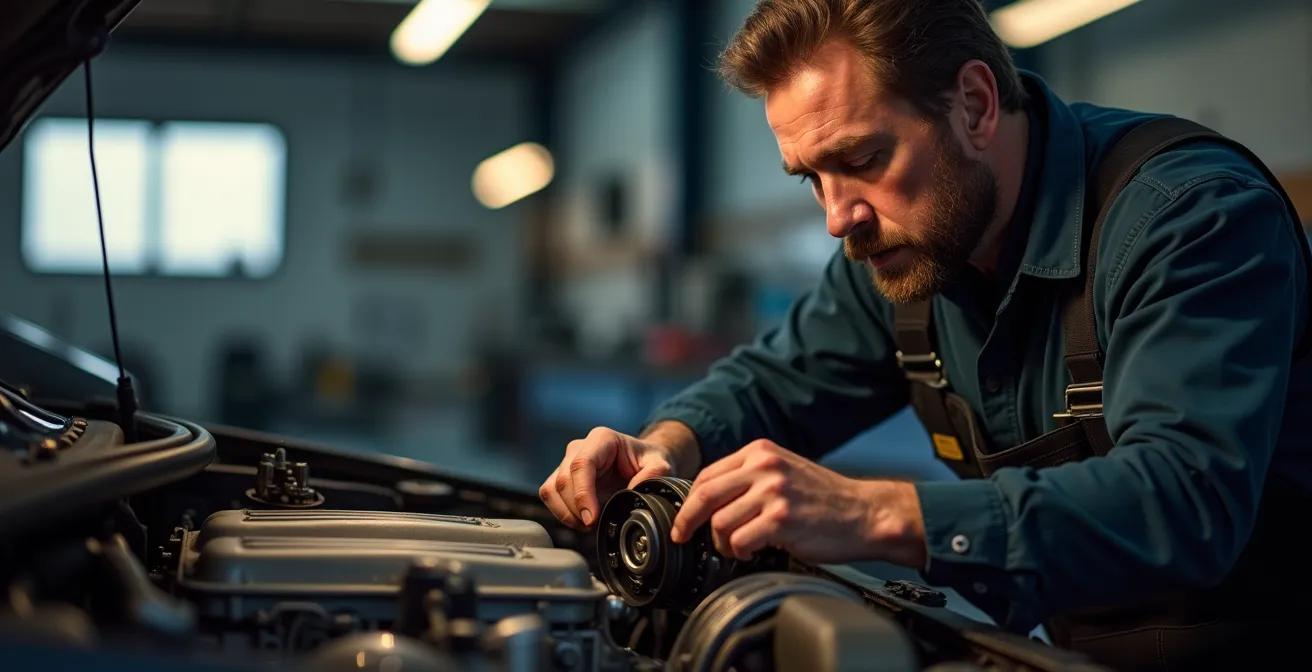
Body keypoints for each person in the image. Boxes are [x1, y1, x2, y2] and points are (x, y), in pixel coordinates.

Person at [539, 1, 1312, 669]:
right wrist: (666, 446)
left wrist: (873, 512)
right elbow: (772, 382)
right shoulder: (903, 253)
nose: (837, 217)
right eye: (811, 178)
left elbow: (1182, 502)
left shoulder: (1188, 218)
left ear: (974, 105)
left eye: (862, 158)